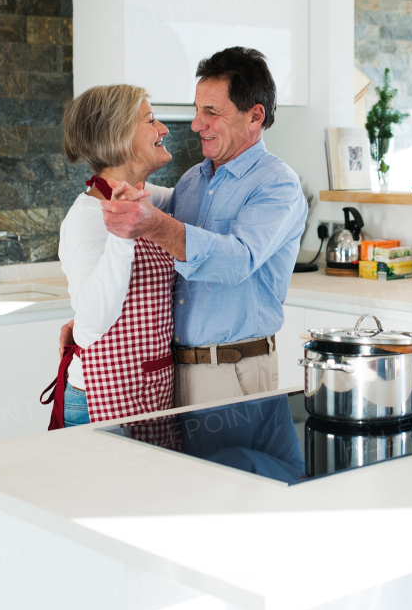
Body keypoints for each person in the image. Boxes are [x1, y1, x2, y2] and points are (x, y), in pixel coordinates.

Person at [97, 47, 308, 407]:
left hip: (233, 371)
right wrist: (90, 326)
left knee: (229, 465)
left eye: (211, 112)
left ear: (255, 116)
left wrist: (156, 225)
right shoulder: (192, 181)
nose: (196, 124)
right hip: (172, 371)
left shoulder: (277, 184)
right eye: (197, 110)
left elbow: (237, 260)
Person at [49, 84, 175, 427]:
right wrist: (123, 236)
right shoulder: (87, 217)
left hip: (142, 393)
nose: (163, 129)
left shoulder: (144, 199)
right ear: (118, 136)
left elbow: (193, 200)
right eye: (150, 120)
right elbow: (90, 325)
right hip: (101, 401)